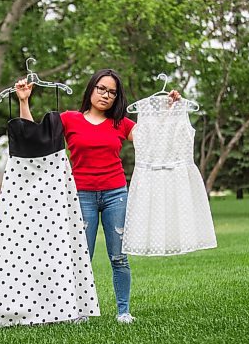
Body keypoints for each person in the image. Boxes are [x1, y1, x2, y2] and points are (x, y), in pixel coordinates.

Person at [15, 68, 180, 324]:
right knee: (82, 257)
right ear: (91, 89)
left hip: (116, 194)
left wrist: (168, 111)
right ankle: (79, 312)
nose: (106, 95)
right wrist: (24, 101)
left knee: (119, 257)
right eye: (101, 89)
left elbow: (151, 139)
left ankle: (123, 311)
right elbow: (35, 135)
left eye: (112, 92)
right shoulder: (70, 119)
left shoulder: (121, 123)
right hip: (82, 196)